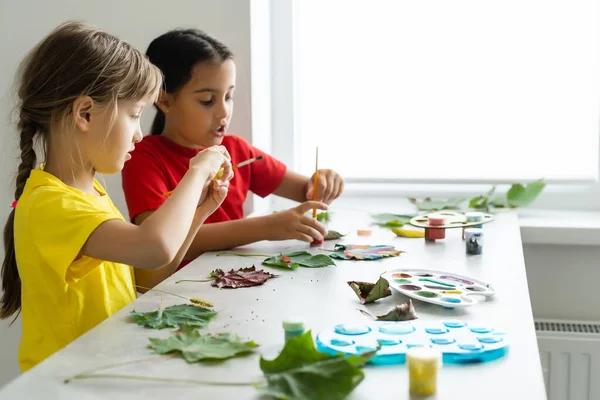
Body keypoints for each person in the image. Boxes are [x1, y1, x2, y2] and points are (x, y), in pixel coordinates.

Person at [0, 21, 232, 372]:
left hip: (103, 372)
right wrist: (196, 171)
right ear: (85, 114)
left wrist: (201, 210)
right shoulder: (51, 204)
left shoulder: (89, 191)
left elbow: (150, 273)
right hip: (67, 386)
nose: (140, 134)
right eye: (135, 115)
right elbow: (154, 247)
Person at [121, 28, 345, 289]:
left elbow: (308, 192)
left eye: (228, 97)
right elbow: (158, 244)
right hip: (178, 291)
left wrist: (324, 181)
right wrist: (266, 227)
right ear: (164, 100)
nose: (223, 112)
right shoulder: (143, 159)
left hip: (237, 285)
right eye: (207, 100)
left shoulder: (237, 150)